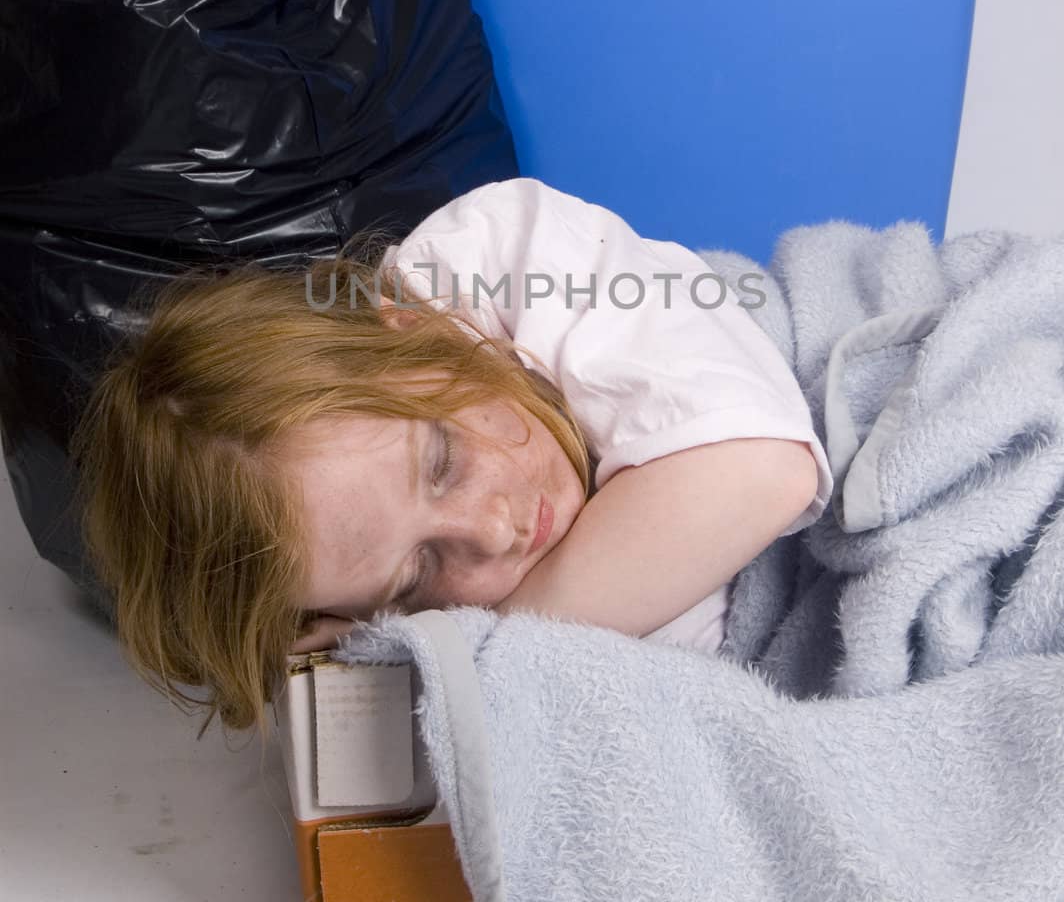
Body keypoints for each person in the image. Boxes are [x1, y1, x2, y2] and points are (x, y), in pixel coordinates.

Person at [69, 177, 831, 745]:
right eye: (417, 570)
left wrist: (495, 647)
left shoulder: (500, 258)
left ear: (410, 330)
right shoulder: (399, 625)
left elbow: (762, 470)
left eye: (443, 461)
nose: (492, 530)